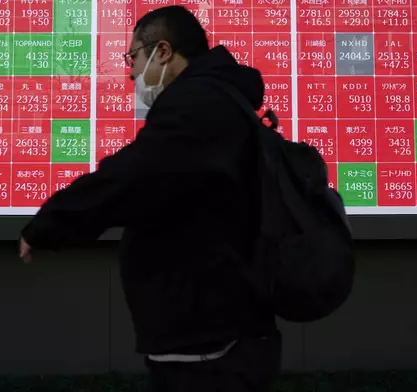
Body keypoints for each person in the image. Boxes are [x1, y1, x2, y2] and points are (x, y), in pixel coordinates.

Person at [19, 5, 281, 391]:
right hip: (223, 328)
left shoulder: (197, 105)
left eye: (133, 56)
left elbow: (130, 178)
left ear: (162, 51)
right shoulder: (219, 99)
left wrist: (48, 224)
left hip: (208, 346)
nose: (130, 71)